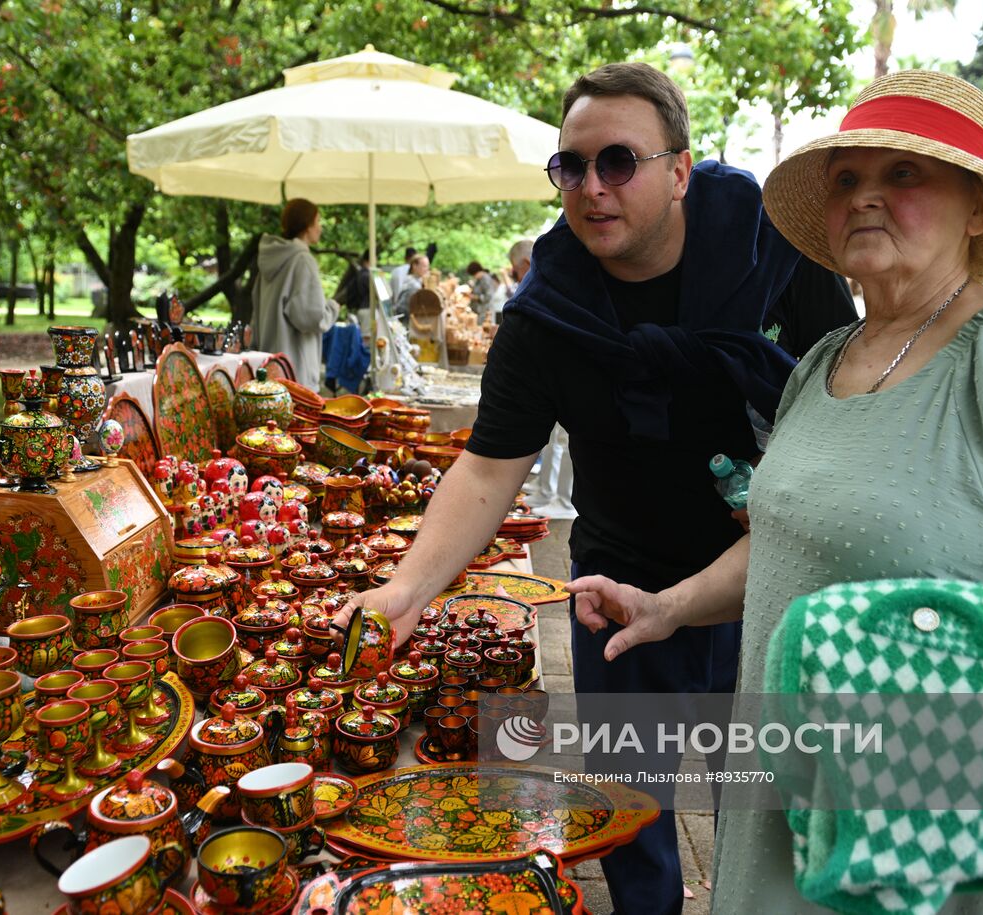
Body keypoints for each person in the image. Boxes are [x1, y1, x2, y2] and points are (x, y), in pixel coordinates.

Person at [568, 71, 983, 913]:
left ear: (975, 208)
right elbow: (785, 538)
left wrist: (936, 653)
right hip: (784, 796)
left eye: (903, 174)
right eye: (848, 179)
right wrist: (666, 606)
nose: (865, 197)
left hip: (928, 825)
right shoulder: (822, 362)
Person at [341, 62, 857, 914]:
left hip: (767, 577)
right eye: (571, 167)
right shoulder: (549, 312)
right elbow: (488, 465)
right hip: (621, 592)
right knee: (632, 815)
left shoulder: (771, 248)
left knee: (761, 811)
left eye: (618, 161)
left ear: (680, 169)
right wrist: (407, 586)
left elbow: (855, 388)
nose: (591, 187)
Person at [251, 198, 339, 392]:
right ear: (307, 225)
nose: (320, 228)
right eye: (318, 222)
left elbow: (256, 310)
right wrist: (333, 307)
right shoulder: (302, 261)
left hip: (268, 365)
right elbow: (311, 318)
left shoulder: (267, 260)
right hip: (295, 373)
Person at [392, 252, 429, 319]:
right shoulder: (412, 284)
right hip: (406, 323)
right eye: (424, 266)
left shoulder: (418, 281)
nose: (427, 269)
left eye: (427, 266)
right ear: (414, 266)